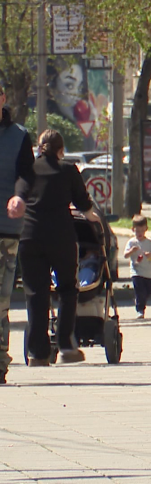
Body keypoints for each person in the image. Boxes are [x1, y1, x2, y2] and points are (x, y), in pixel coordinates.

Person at [8, 129, 100, 366]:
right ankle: (67, 343)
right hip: (61, 237)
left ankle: (38, 353)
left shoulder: (28, 169)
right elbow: (83, 202)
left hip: (30, 236)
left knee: (36, 293)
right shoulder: (68, 170)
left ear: (39, 148)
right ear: (61, 151)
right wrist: (93, 218)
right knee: (68, 288)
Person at [0, 84, 35, 383]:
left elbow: (26, 173)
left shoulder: (19, 136)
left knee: (0, 300)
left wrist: (20, 196)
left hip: (5, 228)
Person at [124, 215, 151, 319]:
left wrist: (150, 255)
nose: (139, 233)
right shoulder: (132, 242)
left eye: (142, 231)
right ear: (133, 230)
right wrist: (131, 251)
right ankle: (140, 310)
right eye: (137, 231)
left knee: (148, 291)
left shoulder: (149, 242)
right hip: (136, 272)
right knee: (139, 291)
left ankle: (140, 300)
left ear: (146, 230)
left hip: (147, 273)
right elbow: (125, 255)